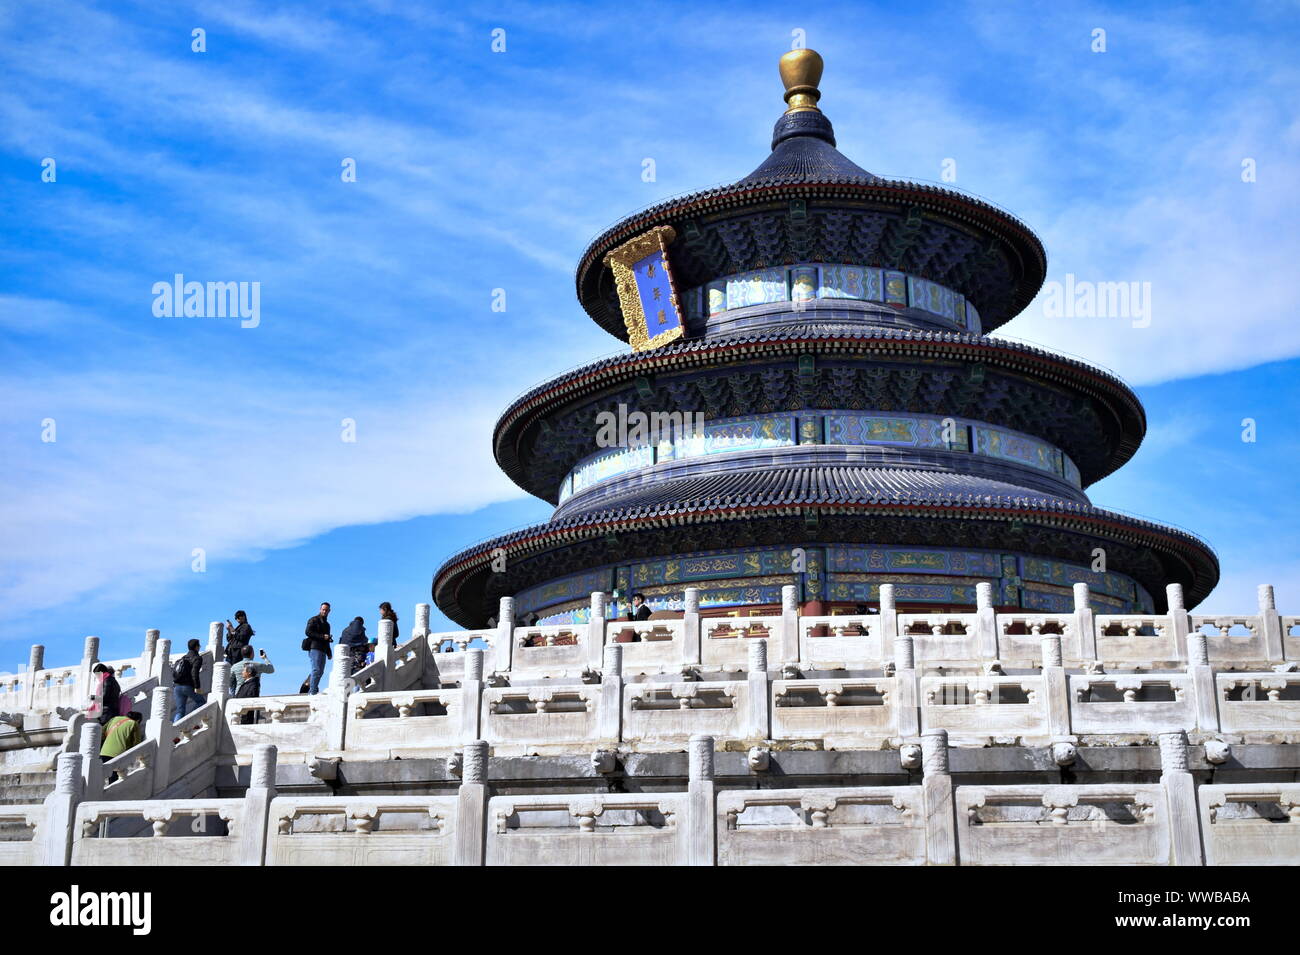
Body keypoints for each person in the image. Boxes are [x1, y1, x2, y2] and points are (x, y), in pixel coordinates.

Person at [171, 638, 206, 721]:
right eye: (199, 645)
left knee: (180, 710)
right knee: (201, 702)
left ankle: (175, 729)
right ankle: (189, 718)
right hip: (188, 686)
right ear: (196, 647)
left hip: (177, 687)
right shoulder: (197, 658)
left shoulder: (183, 658)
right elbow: (194, 673)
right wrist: (197, 687)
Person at [304, 601, 332, 695]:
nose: (324, 611)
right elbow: (308, 632)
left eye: (326, 610)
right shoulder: (314, 619)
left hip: (323, 649)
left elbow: (327, 638)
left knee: (320, 671)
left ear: (329, 611)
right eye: (323, 609)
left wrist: (329, 652)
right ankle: (312, 691)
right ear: (320, 609)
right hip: (314, 647)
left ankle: (311, 688)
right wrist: (322, 636)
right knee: (316, 670)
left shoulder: (327, 625)